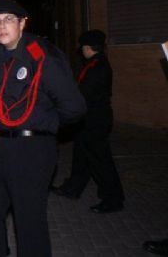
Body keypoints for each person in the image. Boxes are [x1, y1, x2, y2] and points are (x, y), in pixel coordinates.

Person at [0, 0, 86, 257]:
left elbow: (74, 107)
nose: (1, 26)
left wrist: (45, 126)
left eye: (8, 20)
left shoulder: (42, 54)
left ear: (23, 23)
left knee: (28, 222)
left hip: (31, 149)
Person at [52, 30, 124, 213]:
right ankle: (73, 188)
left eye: (82, 47)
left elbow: (83, 93)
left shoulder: (97, 67)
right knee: (82, 155)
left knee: (100, 160)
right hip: (89, 119)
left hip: (95, 120)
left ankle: (113, 198)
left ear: (87, 47)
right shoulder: (95, 64)